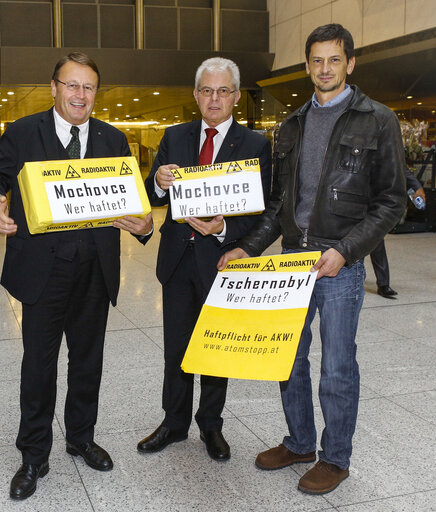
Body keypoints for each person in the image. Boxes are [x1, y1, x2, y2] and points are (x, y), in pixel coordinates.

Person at [218, 24, 405, 494]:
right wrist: (248, 247)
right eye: (316, 61)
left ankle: (335, 458)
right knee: (288, 360)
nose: (324, 69)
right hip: (290, 265)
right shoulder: (292, 124)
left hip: (340, 264)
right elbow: (280, 204)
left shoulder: (377, 119)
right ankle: (300, 441)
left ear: (350, 63)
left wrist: (345, 251)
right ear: (306, 66)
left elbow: (391, 202)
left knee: (337, 366)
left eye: (334, 60)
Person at [0, 52, 153, 500]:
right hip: (41, 270)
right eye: (71, 85)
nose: (80, 94)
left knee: (87, 361)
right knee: (38, 365)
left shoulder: (114, 140)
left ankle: (81, 437)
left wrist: (145, 223)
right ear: (53, 87)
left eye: (88, 87)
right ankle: (34, 454)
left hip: (96, 269)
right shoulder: (21, 133)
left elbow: (131, 202)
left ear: (97, 93)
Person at [138, 57, 272, 461]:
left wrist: (224, 229)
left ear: (235, 96)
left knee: (215, 348)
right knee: (176, 349)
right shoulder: (174, 136)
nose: (215, 99)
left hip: (221, 261)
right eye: (207, 90)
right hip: (178, 260)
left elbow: (260, 209)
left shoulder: (255, 145)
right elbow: (149, 194)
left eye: (223, 91)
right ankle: (173, 423)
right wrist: (158, 183)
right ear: (196, 95)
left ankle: (211, 426)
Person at [370, 167, 425, 297]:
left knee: (376, 240)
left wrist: (416, 186)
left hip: (374, 199)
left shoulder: (387, 146)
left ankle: (383, 284)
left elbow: (399, 164)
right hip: (347, 198)